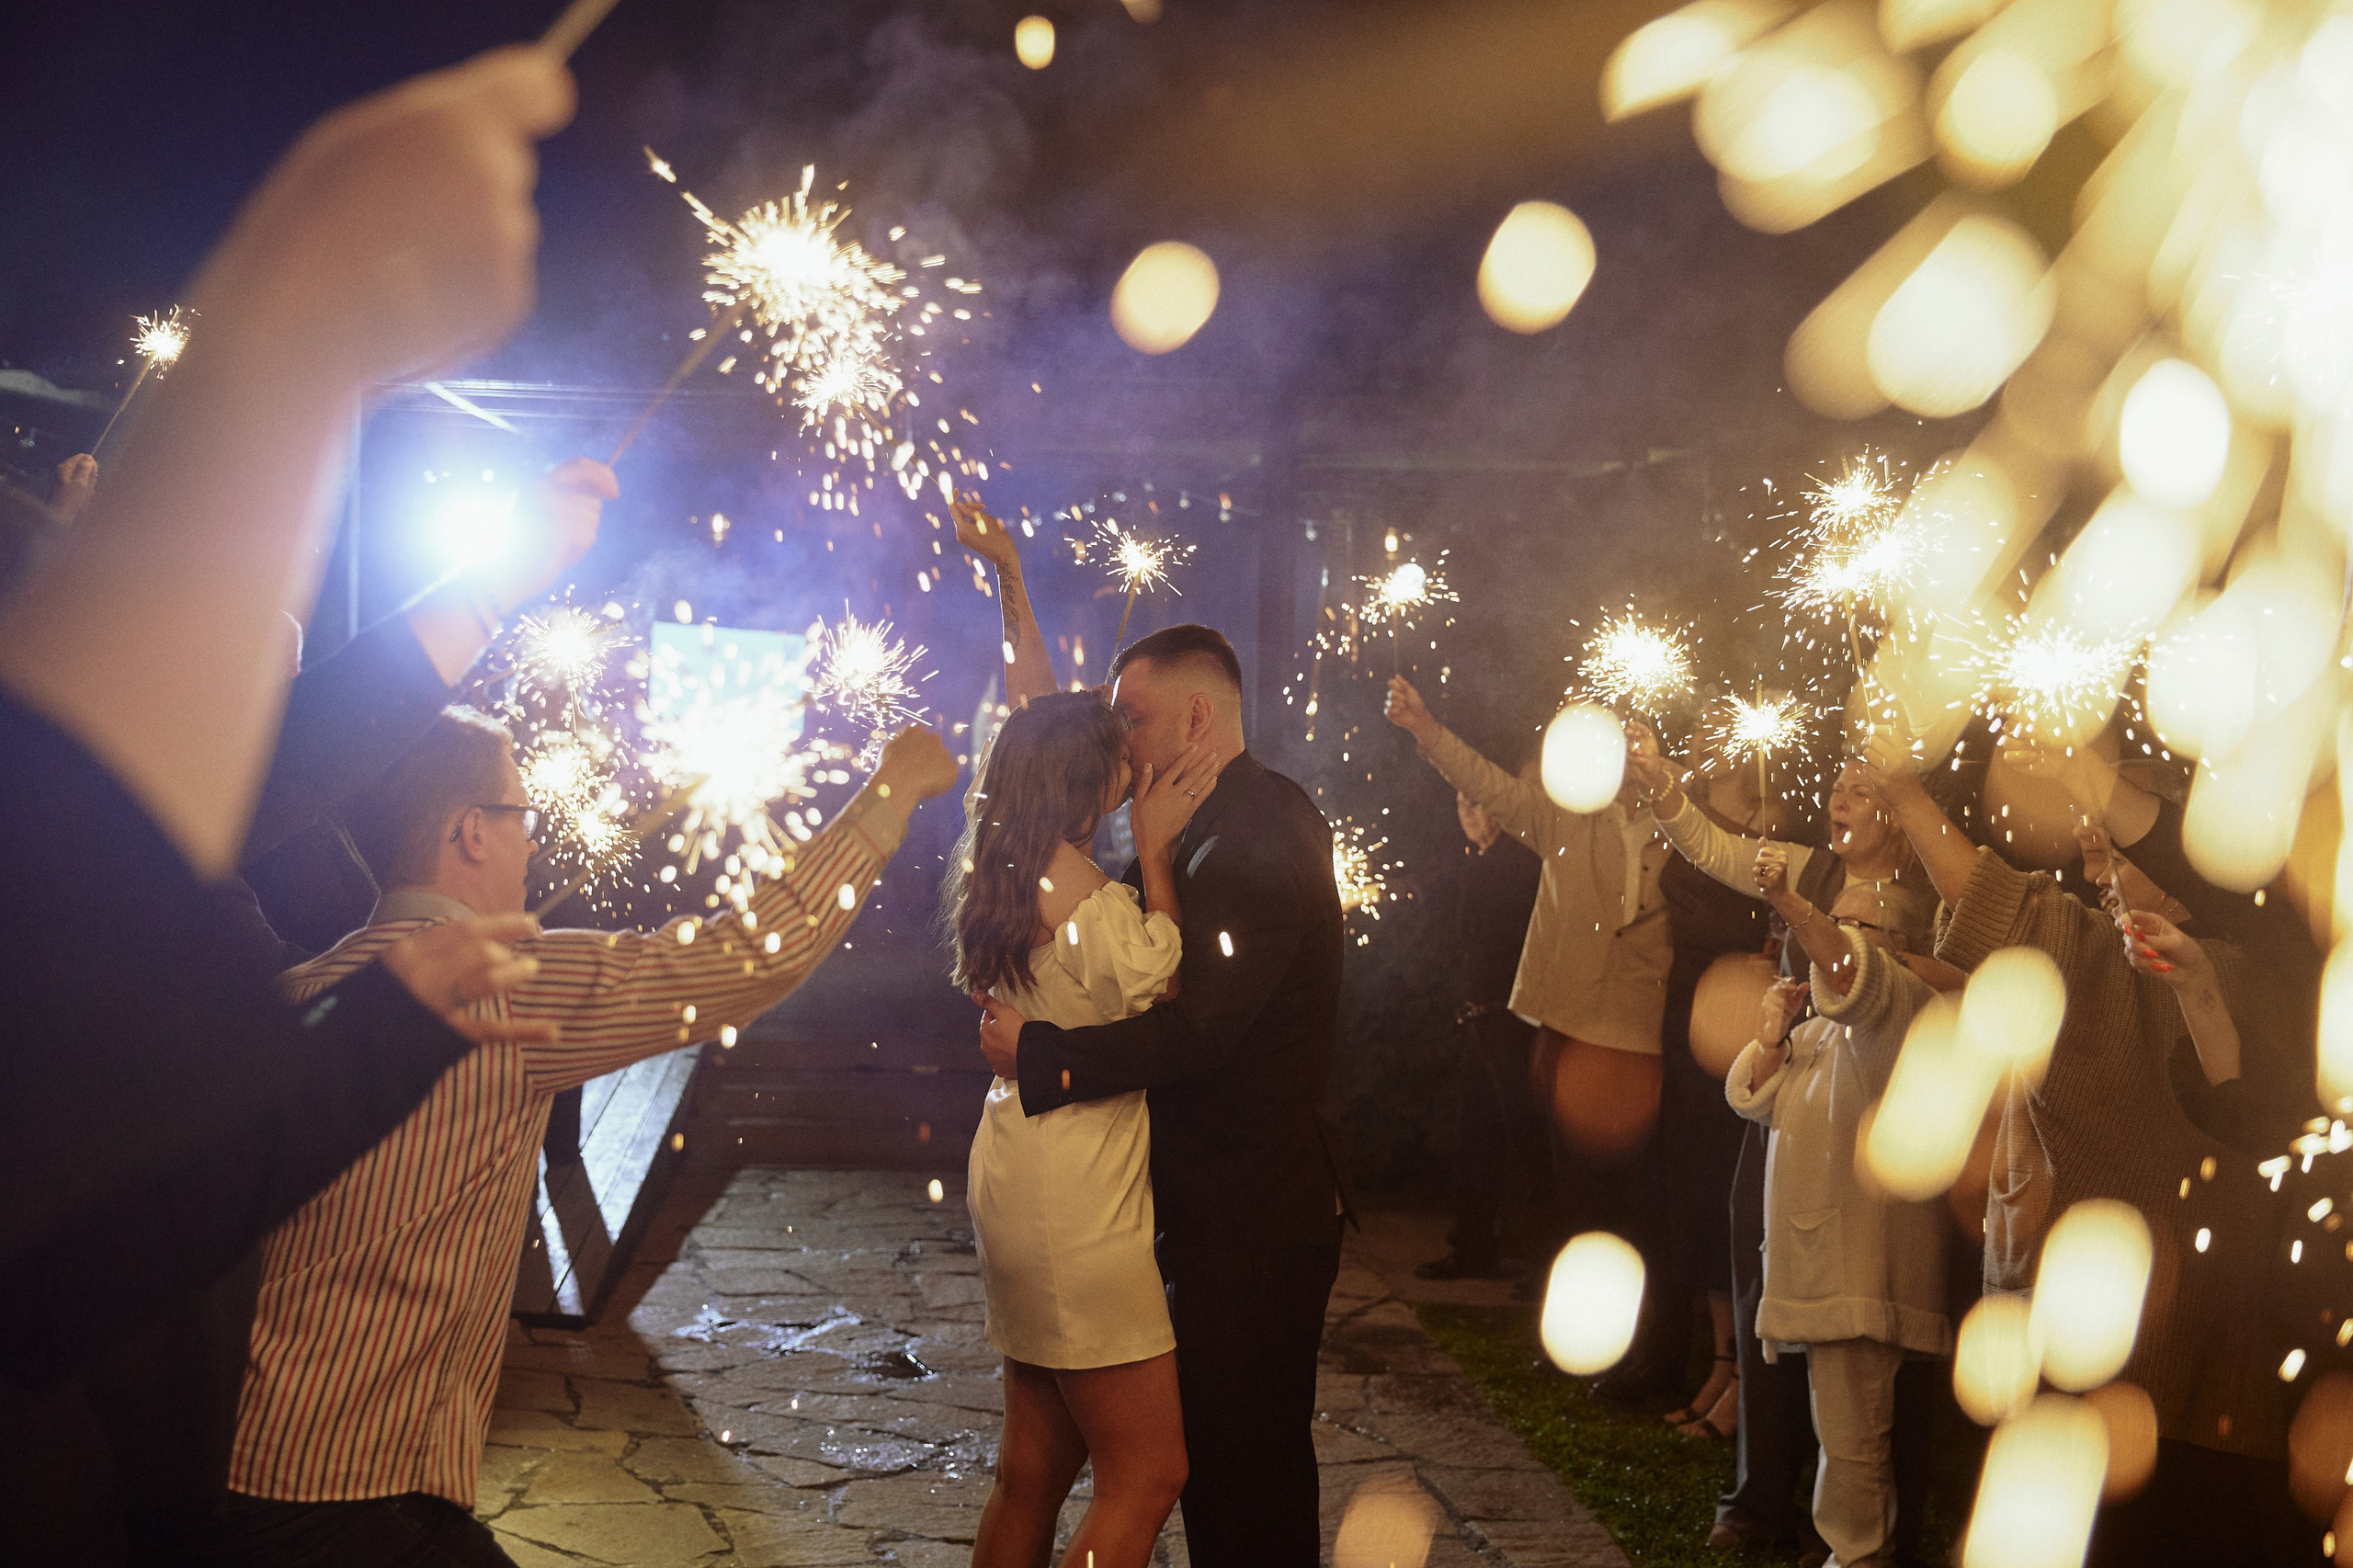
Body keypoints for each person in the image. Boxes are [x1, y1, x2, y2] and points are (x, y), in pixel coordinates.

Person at [0, 46, 574, 1560]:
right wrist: (302, 309)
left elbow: (149, 1211)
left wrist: (394, 1022)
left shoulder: (242, 880)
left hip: (163, 1448)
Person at [208, 711, 959, 1565]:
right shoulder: (509, 991)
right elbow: (747, 958)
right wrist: (889, 792)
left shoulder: (303, 990)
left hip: (245, 1465)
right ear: (472, 832)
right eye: (523, 817)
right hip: (354, 1489)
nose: (535, 845)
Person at [973, 618, 1353, 1568]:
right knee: (1184, 1469)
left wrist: (1044, 1053)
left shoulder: (1260, 832)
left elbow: (1200, 1030)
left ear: (1194, 717)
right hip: (1170, 1203)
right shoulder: (1185, 826)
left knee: (1241, 1472)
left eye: (1129, 720)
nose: (1115, 743)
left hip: (1251, 1211)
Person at [1858, 756, 2299, 1562]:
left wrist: (1906, 796)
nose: (2090, 870)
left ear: (2179, 865)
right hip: (2242, 1387)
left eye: (2111, 853)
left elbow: (2013, 912)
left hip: (2119, 1364)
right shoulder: (2285, 977)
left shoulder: (2140, 973)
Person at [949, 689, 1217, 1568]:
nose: (1130, 757)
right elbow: (1162, 978)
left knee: (1030, 1472)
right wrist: (1157, 855)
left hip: (1018, 1172)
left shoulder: (1002, 859)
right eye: (1115, 747)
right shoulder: (1078, 886)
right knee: (1148, 1473)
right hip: (1077, 1202)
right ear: (1080, 775)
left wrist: (1013, 585)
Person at [1627, 744, 1918, 1551]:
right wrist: (1663, 787)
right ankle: (1760, 1494)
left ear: (1901, 805)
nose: (1838, 798)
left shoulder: (1928, 893)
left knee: (1861, 1323)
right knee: (1764, 1297)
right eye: (1835, 783)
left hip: (1870, 1129)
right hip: (1786, 1115)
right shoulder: (1814, 870)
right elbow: (1717, 850)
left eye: (1860, 788)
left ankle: (1867, 1518)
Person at [1383, 675, 1678, 1398]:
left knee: (1638, 1205)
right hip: (1571, 1030)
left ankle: (1652, 1351)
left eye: (1639, 746)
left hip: (1640, 1039)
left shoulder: (1682, 827)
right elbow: (1489, 784)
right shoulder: (1564, 822)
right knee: (1575, 1198)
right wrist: (1425, 727)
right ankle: (1586, 1340)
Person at [1731, 849, 1949, 1568]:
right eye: (1837, 917)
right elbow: (1750, 1099)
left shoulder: (1903, 1012)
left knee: (1856, 1435)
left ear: (1898, 948)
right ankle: (1855, 1551)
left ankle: (1858, 1557)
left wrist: (1796, 905)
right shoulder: (1821, 1029)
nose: (1839, 933)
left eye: (1861, 923)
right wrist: (1772, 1033)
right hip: (1819, 1271)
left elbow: (1857, 975)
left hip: (1865, 1272)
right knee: (1840, 1431)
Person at [1416, 782, 1545, 1283]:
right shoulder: (1479, 860)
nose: (1468, 812)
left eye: (1478, 800)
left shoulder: (1517, 865)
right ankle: (1474, 1247)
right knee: (1477, 1142)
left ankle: (1543, 1260)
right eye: (1460, 802)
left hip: (1512, 1021)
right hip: (1482, 1019)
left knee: (1527, 1142)